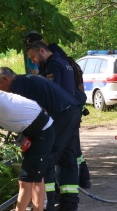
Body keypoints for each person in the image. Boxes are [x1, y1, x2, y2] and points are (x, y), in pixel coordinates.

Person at [0, 68, 82, 211]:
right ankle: (69, 207)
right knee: (68, 158)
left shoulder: (18, 86)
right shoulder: (29, 80)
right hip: (71, 111)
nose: (0, 90)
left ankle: (46, 208)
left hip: (60, 116)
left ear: (6, 79)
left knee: (45, 159)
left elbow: (19, 112)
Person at [24, 36, 92, 190]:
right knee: (71, 154)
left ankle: (48, 201)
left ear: (42, 50)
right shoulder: (64, 62)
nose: (33, 61)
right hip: (72, 112)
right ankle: (69, 203)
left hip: (61, 115)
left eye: (33, 57)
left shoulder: (53, 66)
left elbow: (53, 92)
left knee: (50, 156)